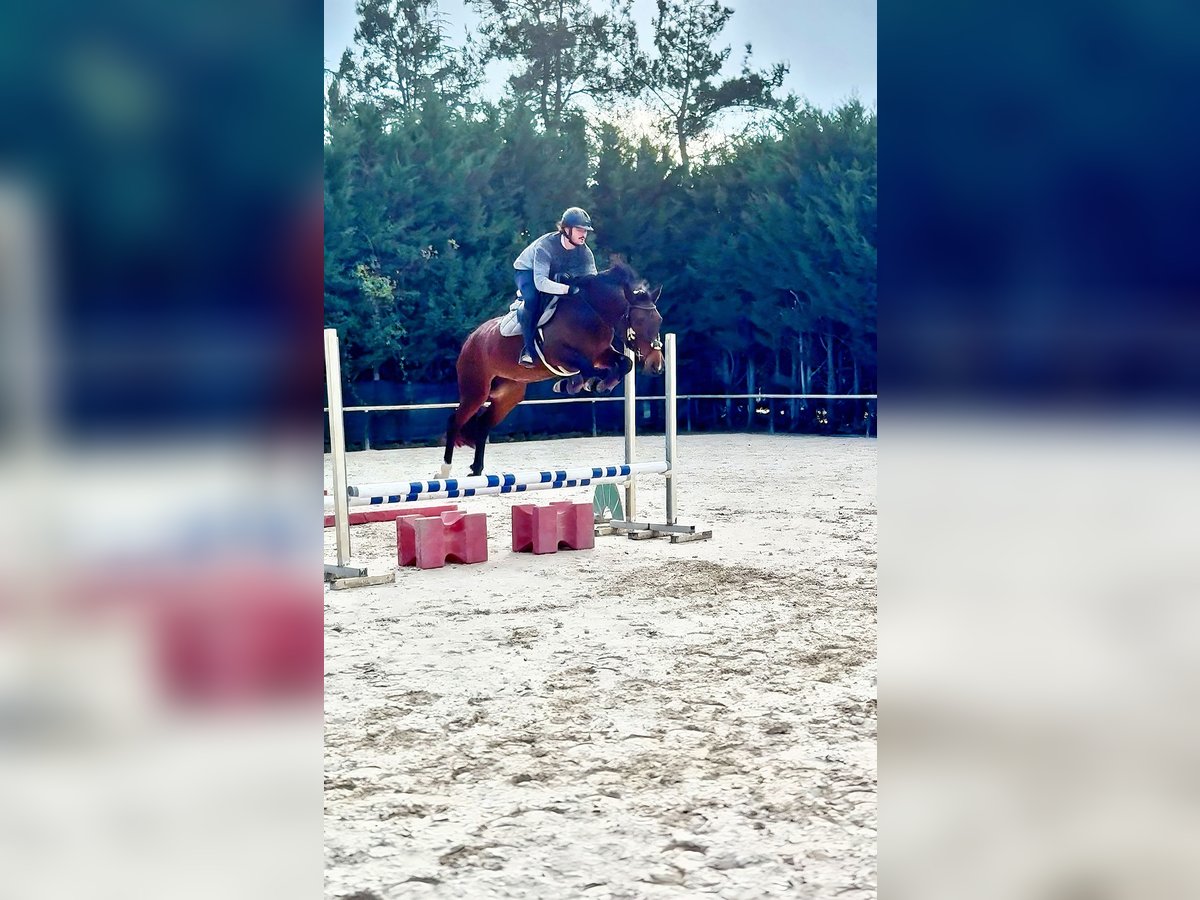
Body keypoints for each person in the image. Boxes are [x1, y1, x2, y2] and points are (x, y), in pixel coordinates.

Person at [513, 206, 598, 367]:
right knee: (532, 299)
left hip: (555, 272)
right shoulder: (545, 246)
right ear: (566, 229)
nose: (584, 234)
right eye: (579, 230)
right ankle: (528, 350)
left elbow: (592, 281)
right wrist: (567, 289)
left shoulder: (585, 253)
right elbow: (541, 283)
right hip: (528, 271)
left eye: (586, 231)